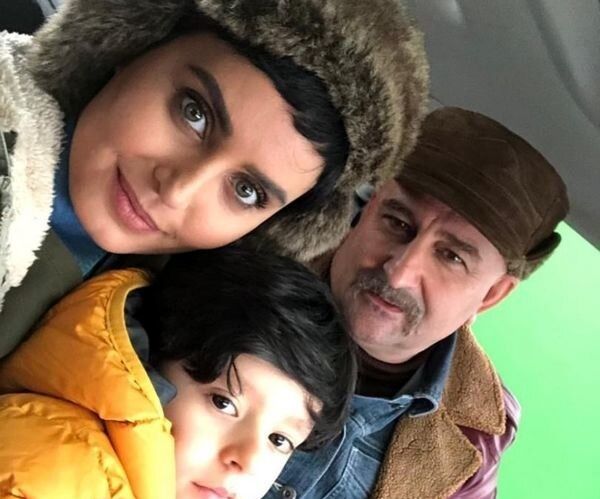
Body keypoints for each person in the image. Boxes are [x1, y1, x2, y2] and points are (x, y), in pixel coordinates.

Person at [0, 0, 429, 356]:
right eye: (194, 114)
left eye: (246, 191)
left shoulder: (165, 325)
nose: (178, 190)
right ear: (130, 46)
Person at [264, 107, 570, 499]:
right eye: (397, 223)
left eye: (451, 257)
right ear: (369, 208)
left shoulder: (475, 438)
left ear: (492, 295)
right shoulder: (239, 271)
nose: (399, 273)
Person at [0, 246, 356, 498]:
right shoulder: (51, 476)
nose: (247, 460)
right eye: (223, 402)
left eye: (279, 440)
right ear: (145, 364)